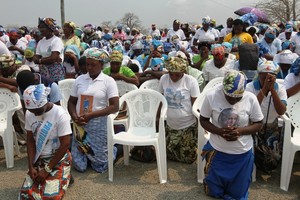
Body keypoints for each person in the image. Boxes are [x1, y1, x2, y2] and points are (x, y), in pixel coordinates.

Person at [200, 70, 263, 199]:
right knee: (214, 192)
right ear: (223, 89)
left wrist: (240, 131)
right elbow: (203, 120)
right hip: (218, 151)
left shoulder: (250, 98)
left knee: (238, 195)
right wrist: (219, 132)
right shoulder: (212, 96)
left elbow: (259, 123)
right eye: (229, 97)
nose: (233, 101)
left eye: (237, 98)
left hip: (242, 153)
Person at [68, 48, 119, 173]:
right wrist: (75, 117)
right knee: (79, 166)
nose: (89, 67)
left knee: (101, 165)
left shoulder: (108, 81)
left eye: (93, 65)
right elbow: (71, 102)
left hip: (98, 123)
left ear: (101, 65)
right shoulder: (80, 79)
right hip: (80, 123)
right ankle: (88, 155)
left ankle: (115, 149)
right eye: (87, 64)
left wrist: (91, 115)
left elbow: (114, 106)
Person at [19, 84, 72, 199]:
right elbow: (30, 140)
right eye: (32, 111)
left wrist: (47, 170)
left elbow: (65, 145)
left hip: (57, 158)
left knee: (50, 197)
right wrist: (31, 166)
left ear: (45, 102)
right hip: (39, 158)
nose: (35, 114)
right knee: (25, 195)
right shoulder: (30, 113)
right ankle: (60, 176)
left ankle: (64, 174)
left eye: (38, 111)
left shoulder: (60, 114)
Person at [159, 56, 200, 164]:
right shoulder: (164, 79)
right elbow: (161, 99)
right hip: (170, 124)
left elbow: (196, 104)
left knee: (188, 158)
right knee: (167, 153)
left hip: (187, 124)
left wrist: (199, 124)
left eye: (177, 74)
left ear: (183, 72)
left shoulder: (191, 81)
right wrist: (158, 117)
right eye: (171, 74)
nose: (173, 77)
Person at [246, 60, 287, 159]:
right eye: (264, 78)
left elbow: (281, 111)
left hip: (271, 124)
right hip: (254, 124)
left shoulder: (280, 88)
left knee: (270, 156)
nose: (266, 80)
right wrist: (264, 89)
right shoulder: (250, 87)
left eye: (270, 78)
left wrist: (272, 90)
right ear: (259, 75)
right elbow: (251, 109)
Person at [33, 17, 65, 82]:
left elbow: (53, 58)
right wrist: (46, 60)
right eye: (40, 27)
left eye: (43, 27)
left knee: (56, 88)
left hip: (56, 71)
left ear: (50, 28)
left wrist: (39, 61)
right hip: (44, 71)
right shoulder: (41, 42)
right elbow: (35, 58)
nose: (41, 30)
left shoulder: (56, 40)